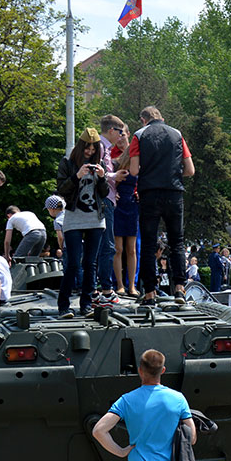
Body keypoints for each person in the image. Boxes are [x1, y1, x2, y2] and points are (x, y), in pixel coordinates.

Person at [128, 106, 195, 303]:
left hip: (149, 193)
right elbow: (190, 169)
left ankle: (150, 292)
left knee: (148, 244)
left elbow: (133, 170)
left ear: (143, 120)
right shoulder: (177, 134)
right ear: (162, 118)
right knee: (177, 242)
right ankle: (180, 289)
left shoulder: (139, 136)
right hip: (174, 192)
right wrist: (172, 175)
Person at [54, 128, 110, 317]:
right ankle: (63, 305)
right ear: (81, 147)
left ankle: (86, 305)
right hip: (74, 218)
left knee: (90, 263)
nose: (90, 152)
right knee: (73, 264)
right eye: (87, 148)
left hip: (95, 219)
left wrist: (102, 178)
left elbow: (103, 193)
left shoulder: (99, 163)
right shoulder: (67, 163)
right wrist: (76, 176)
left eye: (94, 148)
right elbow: (61, 189)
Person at [97, 115, 131, 303]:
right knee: (107, 246)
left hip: (109, 200)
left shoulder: (106, 149)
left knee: (107, 246)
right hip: (104, 202)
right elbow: (95, 170)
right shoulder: (100, 147)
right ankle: (106, 290)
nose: (121, 136)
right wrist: (113, 176)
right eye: (120, 132)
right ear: (111, 131)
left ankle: (104, 289)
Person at [112, 145, 139, 296]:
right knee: (118, 249)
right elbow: (110, 182)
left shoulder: (139, 167)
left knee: (132, 249)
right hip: (118, 206)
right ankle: (120, 285)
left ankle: (132, 286)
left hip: (132, 206)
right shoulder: (116, 163)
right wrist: (113, 193)